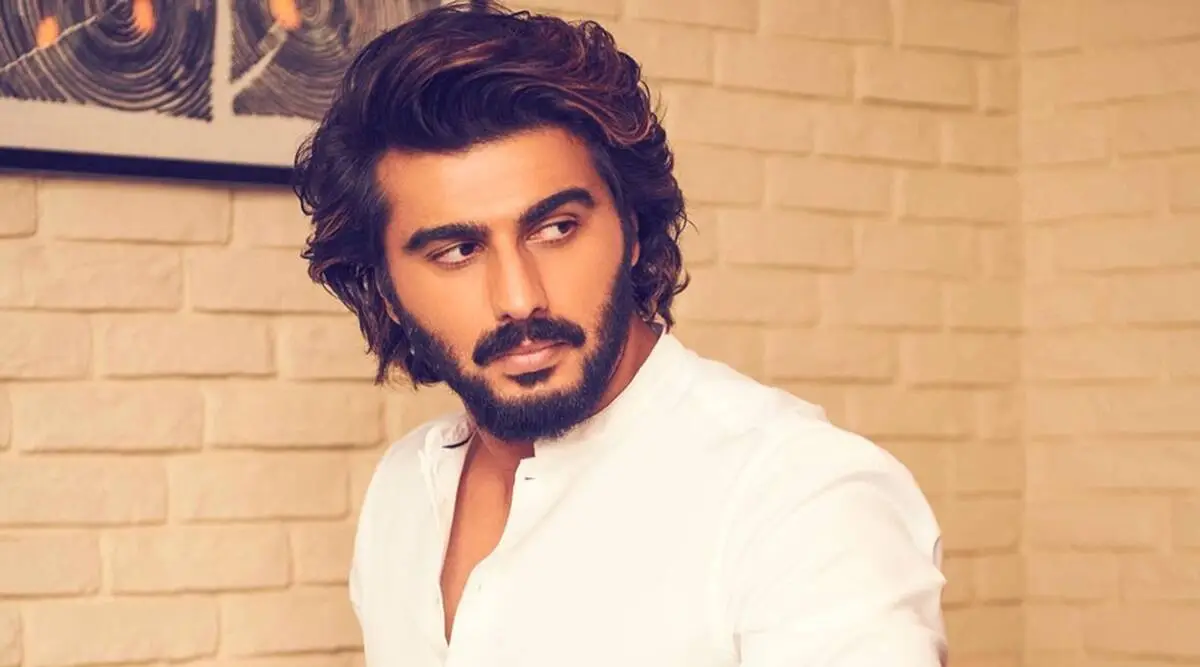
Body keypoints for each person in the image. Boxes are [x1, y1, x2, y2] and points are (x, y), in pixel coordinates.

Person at [292, 1, 947, 665]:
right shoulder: (406, 485)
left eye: (556, 229)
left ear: (631, 230)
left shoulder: (797, 494)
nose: (519, 298)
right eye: (458, 251)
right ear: (386, 290)